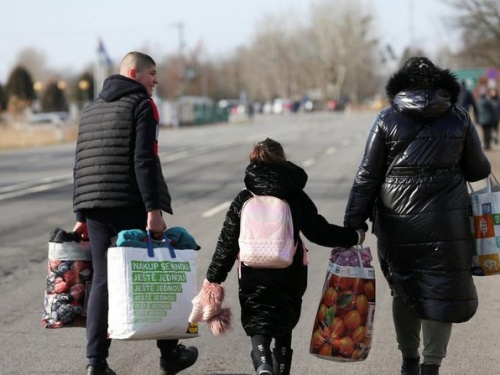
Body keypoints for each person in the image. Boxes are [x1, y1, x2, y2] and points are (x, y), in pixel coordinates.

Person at [343, 57, 491, 375]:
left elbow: (367, 176)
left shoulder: (386, 118)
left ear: (402, 84)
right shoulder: (459, 118)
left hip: (398, 221)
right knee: (442, 286)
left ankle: (409, 361)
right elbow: (478, 169)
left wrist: (353, 224)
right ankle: (431, 366)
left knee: (404, 287)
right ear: (441, 83)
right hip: (447, 219)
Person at [72, 51, 198, 375]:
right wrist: (153, 210)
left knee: (102, 279)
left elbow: (81, 163)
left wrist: (81, 213)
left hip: (95, 205)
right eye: (151, 73)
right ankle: (170, 353)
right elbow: (144, 160)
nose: (155, 80)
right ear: (133, 73)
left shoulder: (91, 109)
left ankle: (95, 362)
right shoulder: (143, 105)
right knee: (155, 270)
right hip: (129, 201)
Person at [194, 138, 365, 375]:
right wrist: (354, 236)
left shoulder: (244, 198)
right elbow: (319, 231)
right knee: (284, 324)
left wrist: (214, 279)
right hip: (289, 271)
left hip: (252, 272)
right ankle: (281, 367)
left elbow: (227, 243)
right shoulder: (294, 195)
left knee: (258, 323)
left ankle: (263, 365)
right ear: (282, 160)